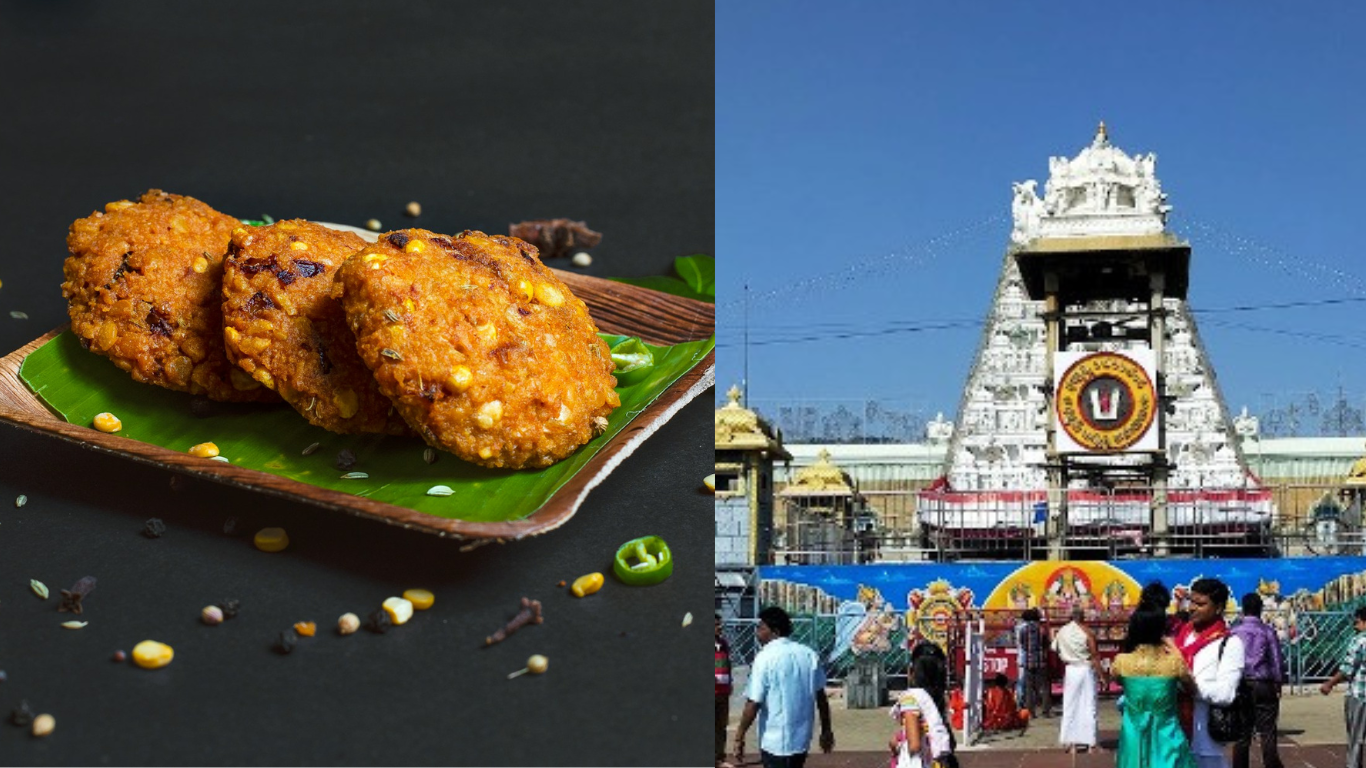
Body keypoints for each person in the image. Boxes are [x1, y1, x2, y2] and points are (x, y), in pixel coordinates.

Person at [733, 606, 834, 768]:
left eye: (761, 628)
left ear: (775, 631)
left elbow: (753, 702)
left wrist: (739, 735)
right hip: (801, 739)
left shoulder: (764, 658)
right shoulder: (808, 654)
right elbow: (821, 696)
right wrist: (826, 730)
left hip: (774, 741)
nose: (757, 632)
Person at [1111, 607, 1197, 768]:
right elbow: (1192, 688)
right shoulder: (1174, 662)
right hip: (1167, 733)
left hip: (1134, 734)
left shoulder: (1121, 662)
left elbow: (1118, 681)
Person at [1175, 578, 1246, 768]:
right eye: (1191, 601)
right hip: (1173, 735)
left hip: (1205, 741)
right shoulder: (1181, 637)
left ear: (1218, 608)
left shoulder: (1229, 644)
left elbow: (1225, 693)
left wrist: (1190, 685)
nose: (1192, 608)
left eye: (1200, 604)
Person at [1230, 593, 1284, 768]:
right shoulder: (1267, 631)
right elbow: (1276, 659)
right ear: (1260, 609)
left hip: (1242, 684)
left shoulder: (1233, 632)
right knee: (1267, 732)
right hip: (1264, 683)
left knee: (1242, 734)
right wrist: (1278, 682)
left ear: (1243, 609)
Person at [888, 648, 955, 768]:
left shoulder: (911, 698)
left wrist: (898, 746)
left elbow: (914, 745)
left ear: (912, 672)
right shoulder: (937, 698)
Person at [1319, 605, 1366, 768]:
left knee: (1356, 739)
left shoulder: (1360, 640)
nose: (1355, 625)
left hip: (1359, 696)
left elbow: (1347, 669)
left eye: (1358, 622)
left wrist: (1330, 683)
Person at [1053, 605, 1104, 753]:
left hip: (1071, 670)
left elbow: (1055, 648)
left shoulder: (1062, 631)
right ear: (1083, 617)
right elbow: (1094, 655)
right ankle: (1091, 743)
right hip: (1085, 669)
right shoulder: (1087, 632)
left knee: (1070, 705)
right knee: (1089, 705)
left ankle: (1071, 743)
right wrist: (1102, 676)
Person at [1018, 608, 1052, 719]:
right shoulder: (1041, 629)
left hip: (1028, 661)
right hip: (1041, 661)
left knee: (1029, 687)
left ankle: (1031, 712)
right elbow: (1047, 644)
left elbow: (1022, 644)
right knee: (1045, 686)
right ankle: (1045, 711)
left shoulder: (1023, 630)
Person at [716, 614, 734, 768]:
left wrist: (730, 681)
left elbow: (728, 664)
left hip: (723, 691)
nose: (720, 627)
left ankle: (719, 757)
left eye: (720, 624)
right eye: (716, 625)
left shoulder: (723, 644)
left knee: (721, 726)